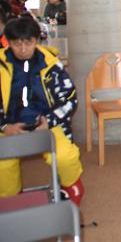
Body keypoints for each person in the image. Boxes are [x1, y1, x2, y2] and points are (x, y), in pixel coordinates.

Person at [0, 17, 85, 205]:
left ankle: (71, 189)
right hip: (9, 127)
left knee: (65, 157)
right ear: (8, 42)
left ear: (37, 40)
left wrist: (50, 121)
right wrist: (4, 126)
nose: (23, 49)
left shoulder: (51, 64)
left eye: (28, 43)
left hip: (48, 124)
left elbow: (69, 98)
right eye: (17, 44)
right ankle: (10, 201)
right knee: (2, 166)